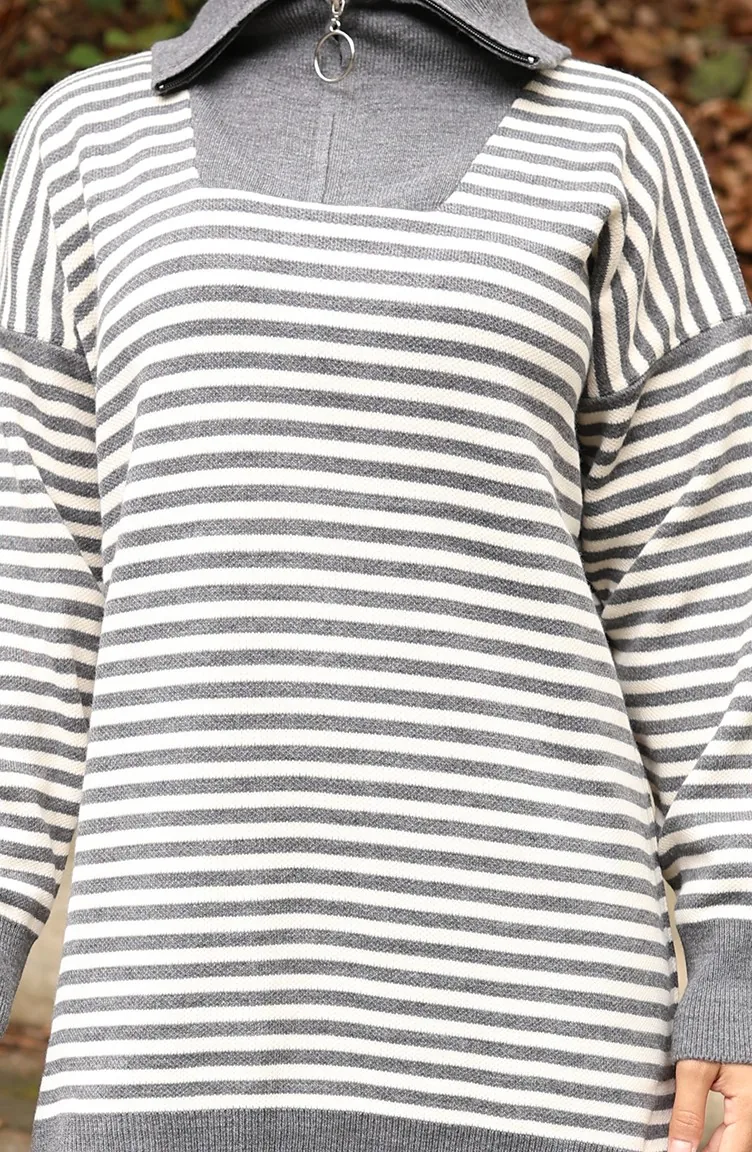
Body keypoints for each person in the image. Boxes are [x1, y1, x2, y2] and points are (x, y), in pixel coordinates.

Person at [0, 0, 751, 1149]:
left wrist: (735, 965)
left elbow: (700, 586)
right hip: (163, 1016)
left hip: (541, 1028)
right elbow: (29, 596)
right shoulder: (84, 140)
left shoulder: (614, 138)